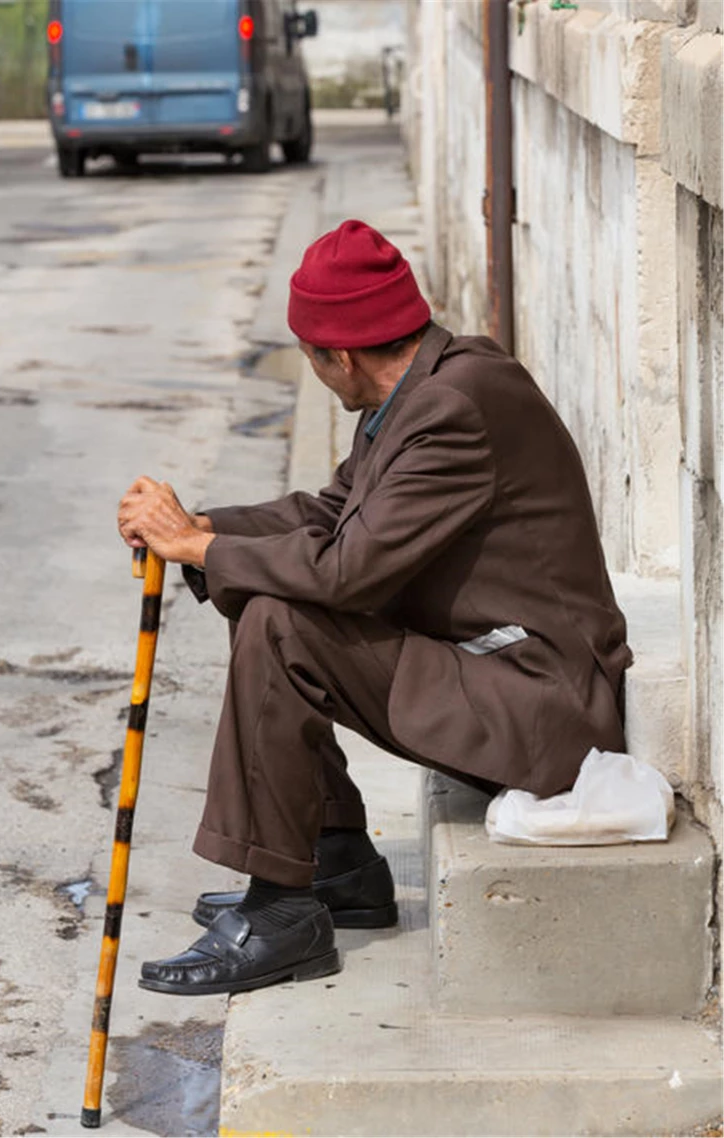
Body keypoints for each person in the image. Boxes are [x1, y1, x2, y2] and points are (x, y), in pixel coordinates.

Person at [117, 219, 631, 997]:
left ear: (342, 355)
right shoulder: (420, 390)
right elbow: (327, 517)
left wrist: (197, 548)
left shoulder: (453, 409)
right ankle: (336, 863)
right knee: (271, 596)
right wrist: (204, 527)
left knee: (281, 619)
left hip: (544, 706)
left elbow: (347, 571)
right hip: (503, 677)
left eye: (312, 356)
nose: (317, 369)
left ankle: (285, 910)